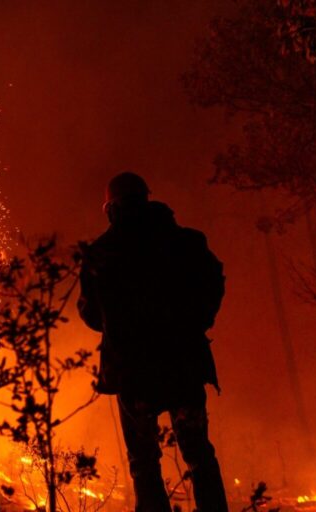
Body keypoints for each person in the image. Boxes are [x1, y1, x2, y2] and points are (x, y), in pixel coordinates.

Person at [77, 172, 228, 512]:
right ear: (146, 198)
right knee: (198, 453)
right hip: (183, 364)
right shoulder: (187, 242)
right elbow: (213, 284)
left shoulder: (103, 253)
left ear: (111, 208)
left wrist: (117, 326)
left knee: (144, 460)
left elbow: (89, 313)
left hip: (134, 373)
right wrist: (198, 321)